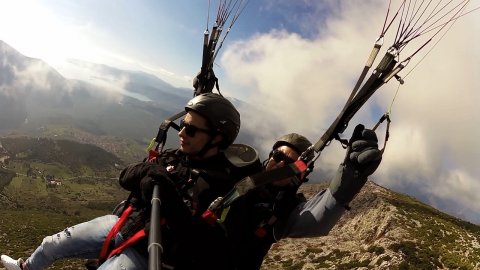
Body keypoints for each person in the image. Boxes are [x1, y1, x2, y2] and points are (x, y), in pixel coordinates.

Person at [0, 93, 262, 270]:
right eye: (182, 125)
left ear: (217, 138)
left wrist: (170, 198)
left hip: (147, 253)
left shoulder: (223, 187)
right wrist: (144, 173)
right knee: (51, 243)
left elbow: (208, 248)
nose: (181, 133)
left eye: (191, 129)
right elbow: (125, 177)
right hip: (124, 223)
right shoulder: (175, 156)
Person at [222, 125, 382, 269]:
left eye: (291, 163)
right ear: (270, 156)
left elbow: (317, 218)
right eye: (278, 156)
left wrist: (351, 176)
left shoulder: (284, 209)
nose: (281, 165)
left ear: (301, 174)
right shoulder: (239, 171)